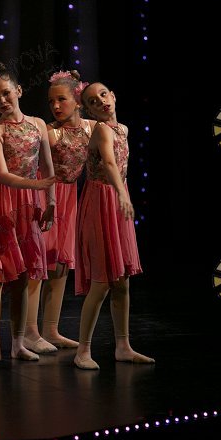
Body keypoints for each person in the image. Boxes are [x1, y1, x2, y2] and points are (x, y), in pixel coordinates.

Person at [0, 62, 56, 362]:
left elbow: (47, 166)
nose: (1, 100)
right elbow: (3, 174)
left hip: (27, 206)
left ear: (18, 91)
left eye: (6, 93)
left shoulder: (38, 125)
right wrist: (37, 185)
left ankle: (18, 343)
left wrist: (51, 202)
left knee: (21, 275)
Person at [73, 81, 154, 370]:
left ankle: (123, 346)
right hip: (101, 202)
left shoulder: (123, 129)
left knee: (122, 280)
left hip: (117, 198)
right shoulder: (102, 130)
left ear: (114, 95)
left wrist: (122, 193)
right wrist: (122, 194)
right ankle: (82, 350)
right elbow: (108, 163)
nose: (101, 102)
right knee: (102, 282)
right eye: (93, 101)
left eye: (103, 95)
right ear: (89, 111)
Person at [24, 70, 93, 353]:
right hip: (46, 195)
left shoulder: (92, 129)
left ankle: (50, 329)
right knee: (38, 263)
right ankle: (29, 332)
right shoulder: (50, 132)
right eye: (51, 101)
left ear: (77, 100)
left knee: (60, 263)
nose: (55, 106)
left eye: (61, 100)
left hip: (70, 198)